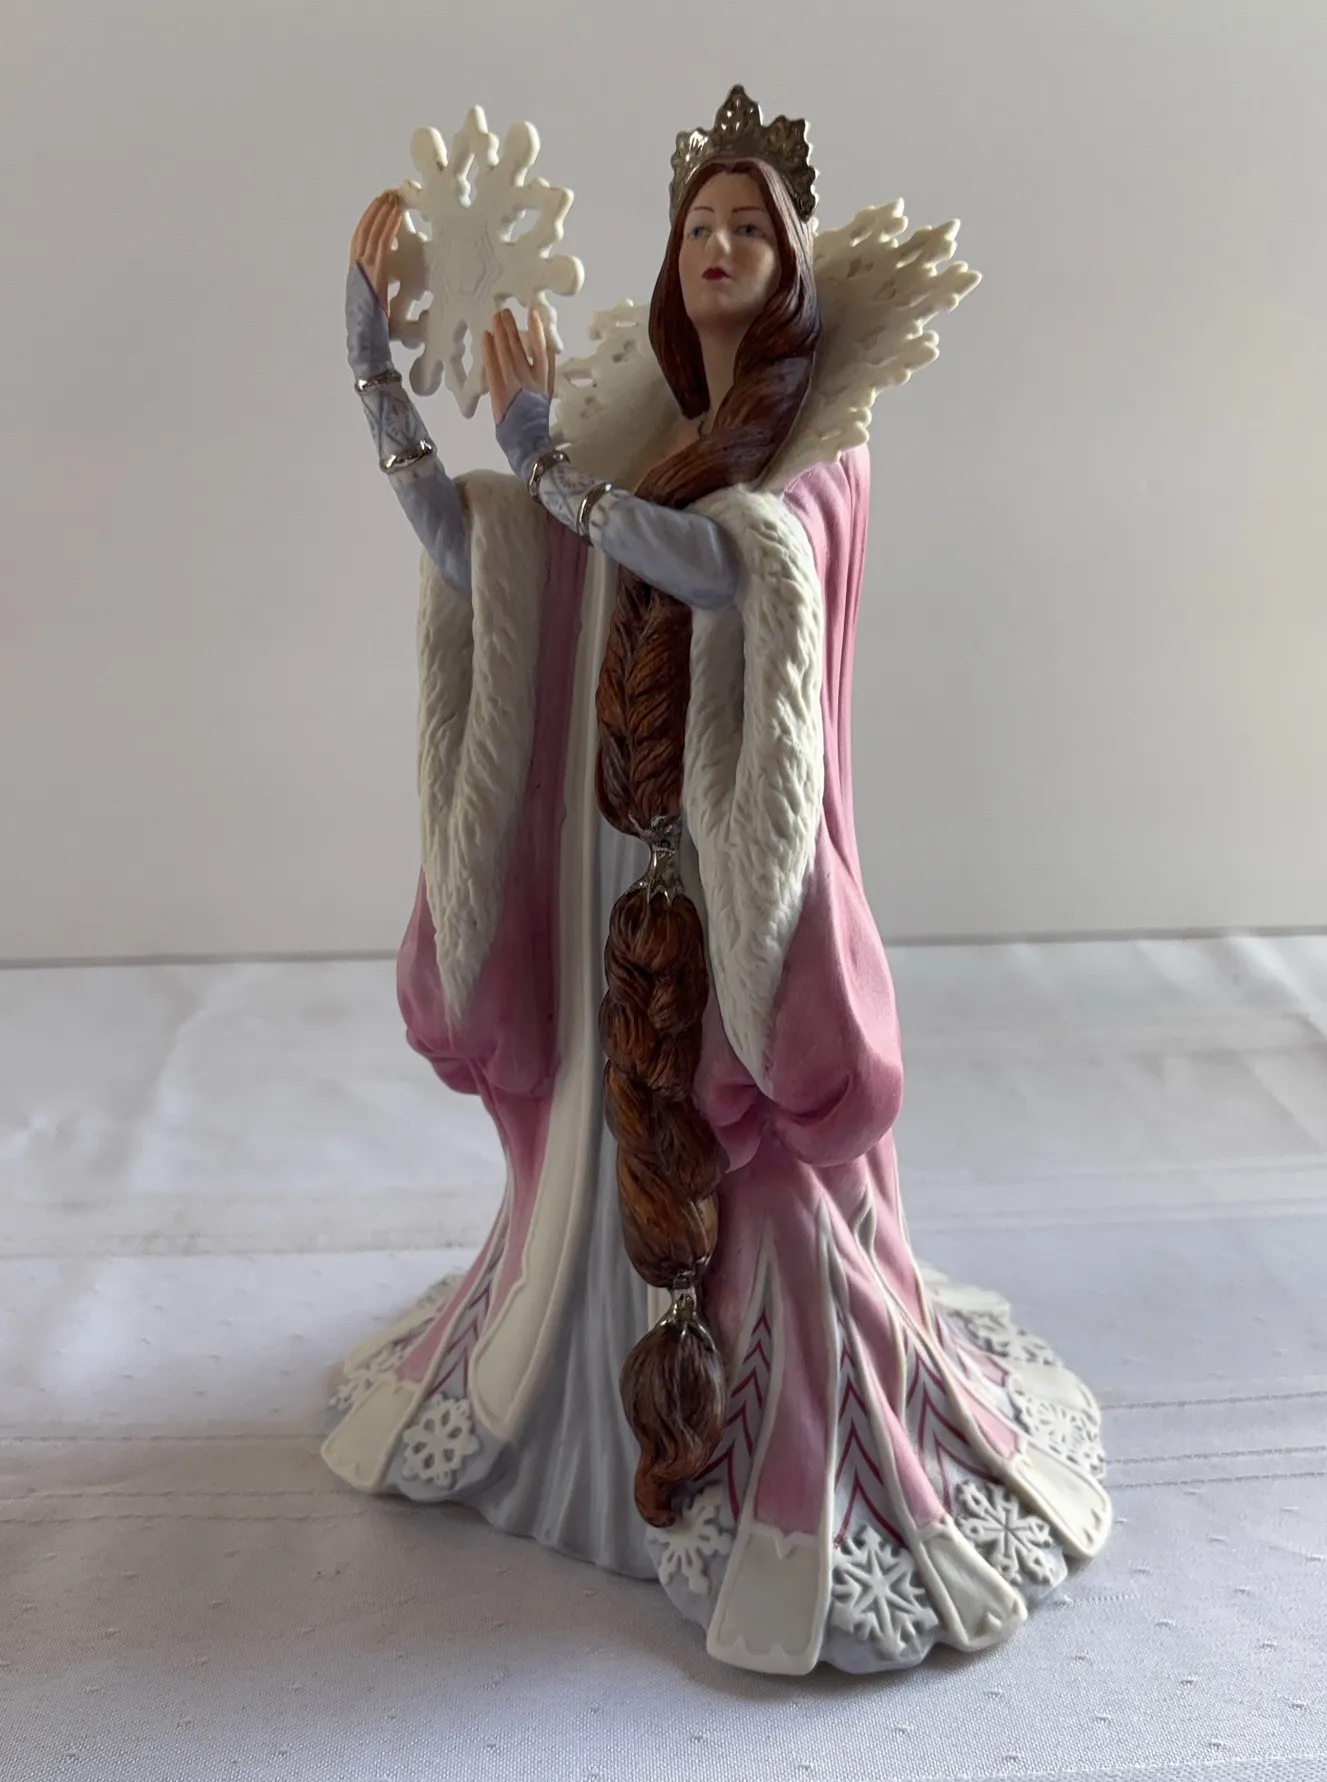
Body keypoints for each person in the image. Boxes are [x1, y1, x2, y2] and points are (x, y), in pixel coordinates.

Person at [323, 86, 1112, 1677]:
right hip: (611, 870)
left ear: (793, 264)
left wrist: (551, 471)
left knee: (751, 1190)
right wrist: (376, 375)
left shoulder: (814, 453)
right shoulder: (648, 448)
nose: (722, 246)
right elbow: (493, 562)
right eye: (701, 223)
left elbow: (726, 564)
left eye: (751, 226)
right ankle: (581, 1411)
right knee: (595, 1157)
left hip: (734, 891)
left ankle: (754, 1452)